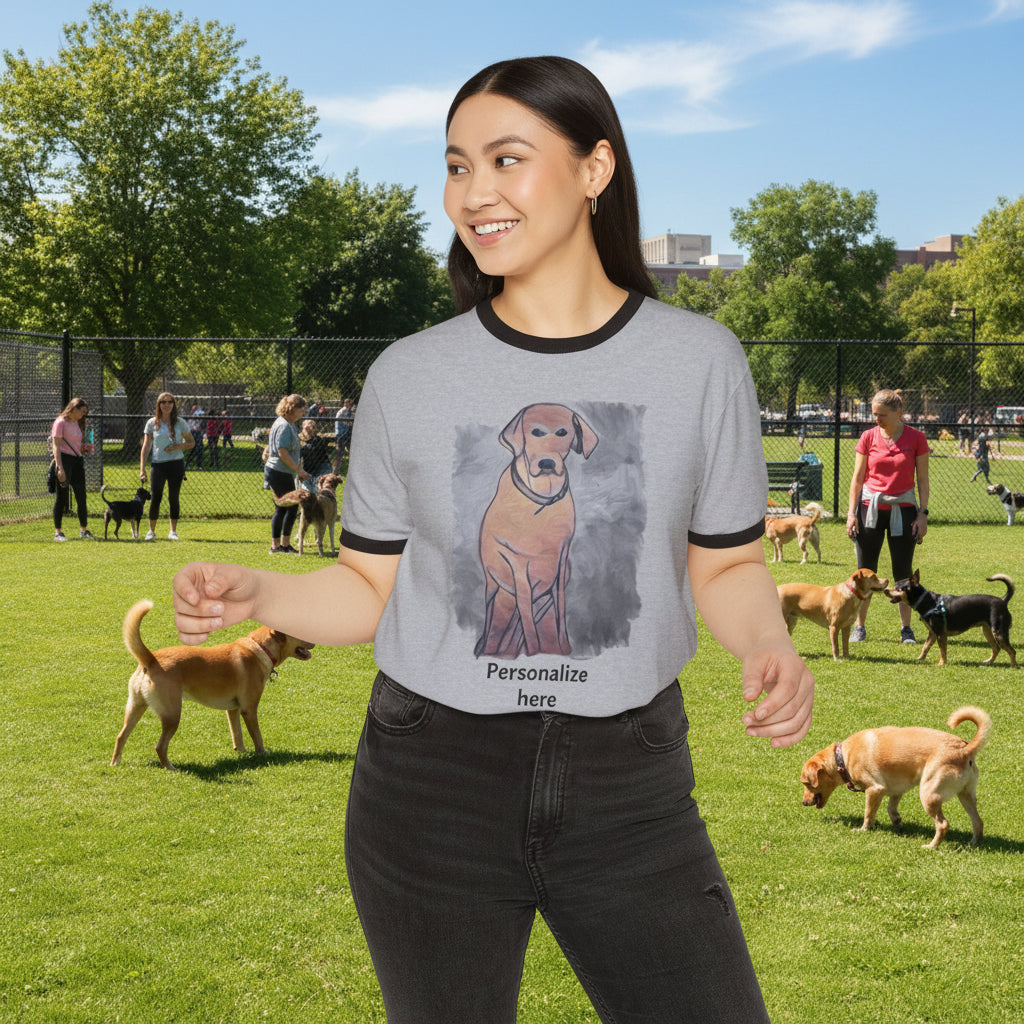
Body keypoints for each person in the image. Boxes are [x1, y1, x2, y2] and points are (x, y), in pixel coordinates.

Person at [172, 56, 813, 1024]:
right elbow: (365, 585)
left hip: (628, 786)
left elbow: (724, 561)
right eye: (457, 166)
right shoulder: (412, 373)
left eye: (506, 160)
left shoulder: (698, 360)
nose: (474, 194)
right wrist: (256, 593)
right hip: (429, 781)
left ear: (595, 169)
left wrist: (767, 642)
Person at [846, 388, 930, 644]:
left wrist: (922, 514)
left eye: (882, 415)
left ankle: (906, 629)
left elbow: (923, 480)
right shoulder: (868, 437)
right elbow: (857, 479)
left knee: (903, 572)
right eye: (874, 414)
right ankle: (859, 627)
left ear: (898, 413)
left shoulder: (917, 438)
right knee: (865, 572)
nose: (877, 419)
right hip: (869, 511)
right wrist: (851, 514)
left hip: (904, 511)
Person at [140, 392, 194, 541]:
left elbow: (191, 442)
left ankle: (173, 532)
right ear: (159, 405)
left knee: (173, 497)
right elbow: (146, 446)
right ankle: (151, 531)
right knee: (156, 497)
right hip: (158, 465)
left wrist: (177, 446)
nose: (167, 405)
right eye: (163, 402)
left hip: (176, 464)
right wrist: (142, 469)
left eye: (170, 402)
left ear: (173, 404)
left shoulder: (180, 422)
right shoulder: (152, 423)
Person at [263, 394, 311, 553]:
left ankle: (282, 545)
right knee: (285, 507)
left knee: (287, 508)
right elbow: (282, 452)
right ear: (292, 409)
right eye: (301, 410)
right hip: (278, 471)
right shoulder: (284, 425)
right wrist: (299, 470)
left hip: (281, 471)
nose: (302, 414)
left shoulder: (287, 423)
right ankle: (278, 546)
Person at [51, 396, 95, 540]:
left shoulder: (77, 423)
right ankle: (58, 532)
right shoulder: (60, 422)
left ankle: (84, 530)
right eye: (82, 412)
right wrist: (60, 468)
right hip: (64, 460)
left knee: (81, 496)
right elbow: (56, 446)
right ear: (74, 409)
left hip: (77, 461)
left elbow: (75, 445)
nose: (83, 415)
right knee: (62, 497)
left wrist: (84, 448)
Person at [298, 418, 332, 493]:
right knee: (307, 492)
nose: (309, 430)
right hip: (306, 471)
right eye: (307, 428)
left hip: (320, 469)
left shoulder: (317, 440)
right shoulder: (298, 440)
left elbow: (322, 458)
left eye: (312, 427)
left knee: (317, 491)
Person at [332, 398, 355, 471]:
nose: (351, 405)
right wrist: (348, 423)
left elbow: (352, 420)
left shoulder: (347, 411)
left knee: (341, 452)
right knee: (342, 451)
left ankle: (337, 469)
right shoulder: (344, 410)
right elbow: (351, 420)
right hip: (343, 433)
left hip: (344, 433)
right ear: (346, 404)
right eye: (350, 404)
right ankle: (337, 469)